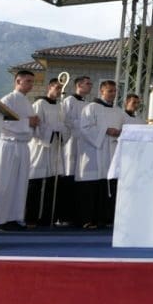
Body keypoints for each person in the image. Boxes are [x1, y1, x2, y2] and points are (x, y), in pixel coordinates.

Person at [0, 70, 40, 230]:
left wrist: (33, 123)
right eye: (28, 81)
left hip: (23, 146)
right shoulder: (7, 100)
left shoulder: (26, 101)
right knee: (5, 182)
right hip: (8, 146)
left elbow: (31, 124)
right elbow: (2, 122)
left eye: (32, 82)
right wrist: (27, 122)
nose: (31, 85)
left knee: (19, 183)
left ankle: (13, 218)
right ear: (18, 81)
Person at [77, 80, 126, 229]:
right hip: (95, 152)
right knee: (92, 186)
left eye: (115, 91)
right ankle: (87, 219)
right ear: (101, 91)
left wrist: (119, 133)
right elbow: (85, 128)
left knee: (108, 185)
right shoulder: (91, 108)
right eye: (110, 91)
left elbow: (124, 128)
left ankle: (104, 219)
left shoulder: (118, 111)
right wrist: (105, 130)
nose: (113, 94)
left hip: (111, 151)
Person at [25, 78, 67, 228]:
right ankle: (31, 217)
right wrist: (52, 129)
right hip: (41, 146)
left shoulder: (61, 107)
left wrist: (61, 130)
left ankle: (48, 217)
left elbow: (65, 126)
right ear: (49, 87)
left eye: (61, 88)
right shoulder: (39, 104)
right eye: (57, 87)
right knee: (36, 182)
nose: (59, 90)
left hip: (55, 147)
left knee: (51, 183)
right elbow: (36, 125)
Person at [57, 76, 91, 227]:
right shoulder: (69, 101)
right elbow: (66, 120)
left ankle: (77, 215)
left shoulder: (89, 104)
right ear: (78, 85)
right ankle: (64, 216)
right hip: (71, 142)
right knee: (69, 175)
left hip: (83, 143)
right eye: (87, 84)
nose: (90, 86)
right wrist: (83, 126)